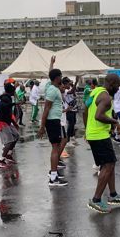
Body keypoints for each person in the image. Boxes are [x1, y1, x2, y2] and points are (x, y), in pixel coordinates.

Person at [84, 74, 120, 213]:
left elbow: (85, 111)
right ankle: (96, 200)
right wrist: (115, 122)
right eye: (117, 86)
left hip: (94, 134)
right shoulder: (106, 97)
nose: (118, 89)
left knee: (110, 163)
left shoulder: (95, 92)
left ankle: (113, 194)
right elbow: (98, 115)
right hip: (99, 136)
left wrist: (87, 130)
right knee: (108, 165)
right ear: (113, 84)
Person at [38, 56, 68, 187]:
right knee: (55, 148)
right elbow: (46, 109)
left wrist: (51, 63)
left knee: (55, 148)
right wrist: (42, 126)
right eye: (60, 76)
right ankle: (53, 177)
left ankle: (53, 174)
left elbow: (50, 74)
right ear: (57, 78)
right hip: (53, 121)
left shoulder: (51, 85)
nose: (61, 78)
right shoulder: (52, 90)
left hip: (53, 121)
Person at [0, 81, 20, 168]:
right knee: (9, 141)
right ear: (11, 91)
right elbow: (5, 106)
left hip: (7, 121)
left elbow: (8, 112)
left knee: (16, 136)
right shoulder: (5, 98)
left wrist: (14, 123)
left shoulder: (8, 97)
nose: (14, 92)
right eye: (13, 90)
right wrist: (15, 103)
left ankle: (9, 155)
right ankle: (0, 160)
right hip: (2, 122)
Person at [64, 76, 80, 144]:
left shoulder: (69, 87)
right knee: (70, 124)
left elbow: (74, 91)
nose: (69, 84)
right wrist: (76, 82)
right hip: (69, 110)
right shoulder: (65, 90)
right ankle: (67, 140)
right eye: (68, 83)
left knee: (73, 123)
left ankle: (72, 136)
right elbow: (72, 91)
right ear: (65, 84)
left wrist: (72, 84)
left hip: (73, 109)